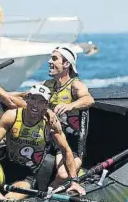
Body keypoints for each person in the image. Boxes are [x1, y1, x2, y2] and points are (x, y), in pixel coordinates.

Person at [0, 85, 87, 199]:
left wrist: (74, 181)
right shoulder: (12, 116)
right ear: (27, 99)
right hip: (4, 167)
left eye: (41, 101)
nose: (35, 104)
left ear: (46, 105)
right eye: (33, 99)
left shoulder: (50, 125)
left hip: (27, 177)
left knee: (10, 199)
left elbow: (66, 151)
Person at [14, 46, 94, 187]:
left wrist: (71, 105)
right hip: (48, 141)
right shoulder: (48, 85)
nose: (50, 62)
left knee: (64, 175)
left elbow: (89, 99)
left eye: (54, 58)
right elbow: (23, 94)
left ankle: (53, 189)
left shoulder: (75, 84)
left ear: (66, 64)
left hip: (71, 144)